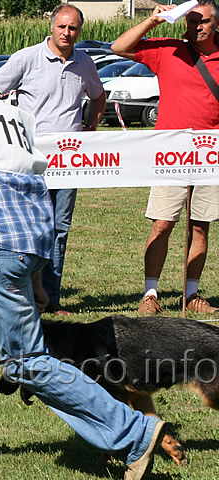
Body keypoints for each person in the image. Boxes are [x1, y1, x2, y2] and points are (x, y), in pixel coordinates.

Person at [0, 31, 165, 480]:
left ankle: (134, 432)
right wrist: (38, 278)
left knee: (25, 362)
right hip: (26, 240)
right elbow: (34, 181)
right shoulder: (9, 111)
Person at [0, 4, 106, 315]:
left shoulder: (85, 62)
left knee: (59, 228)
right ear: (51, 26)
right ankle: (24, 296)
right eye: (62, 27)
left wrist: (90, 128)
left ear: (80, 31)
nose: (67, 33)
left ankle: (51, 299)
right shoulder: (26, 58)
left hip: (69, 163)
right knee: (28, 227)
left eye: (73, 29)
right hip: (29, 162)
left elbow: (98, 95)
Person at [111, 0, 219, 315]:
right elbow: (119, 47)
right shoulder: (168, 49)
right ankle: (150, 294)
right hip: (171, 153)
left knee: (201, 226)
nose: (195, 26)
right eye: (190, 20)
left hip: (210, 154)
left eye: (203, 21)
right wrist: (154, 21)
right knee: (162, 223)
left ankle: (191, 294)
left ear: (216, 24)